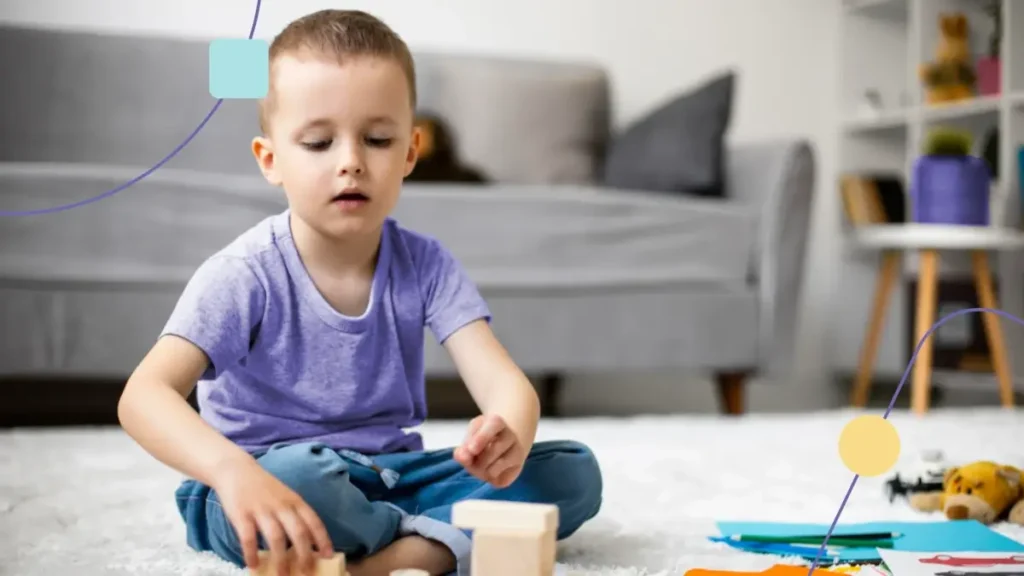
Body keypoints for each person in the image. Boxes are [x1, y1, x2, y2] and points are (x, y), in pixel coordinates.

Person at [116, 8, 602, 576]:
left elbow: (501, 382)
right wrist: (231, 472)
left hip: (390, 479)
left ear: (410, 154)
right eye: (319, 142)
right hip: (265, 489)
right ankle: (441, 543)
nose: (350, 163)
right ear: (271, 160)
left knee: (571, 471)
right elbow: (142, 397)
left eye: (376, 139)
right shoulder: (244, 272)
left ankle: (391, 556)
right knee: (302, 480)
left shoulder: (426, 264)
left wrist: (507, 429)